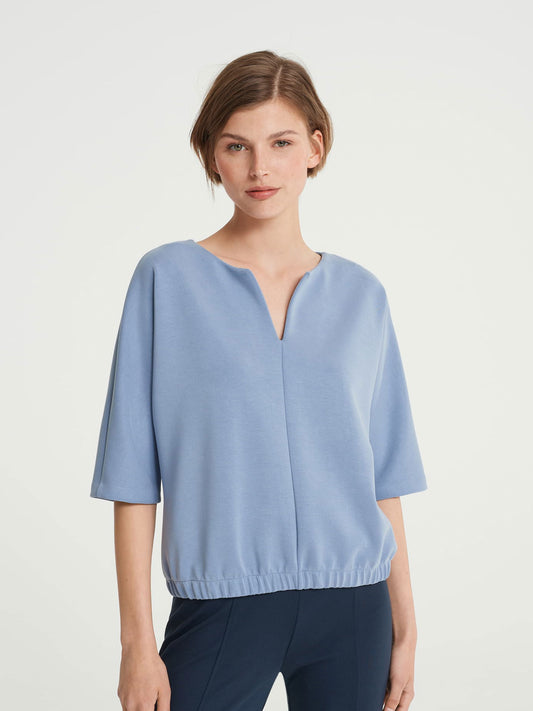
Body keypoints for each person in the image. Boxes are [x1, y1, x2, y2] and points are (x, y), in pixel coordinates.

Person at [90, 50, 428, 711]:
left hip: (354, 607)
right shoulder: (166, 281)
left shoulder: (361, 296)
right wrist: (136, 642)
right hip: (220, 603)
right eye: (236, 146)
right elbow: (131, 478)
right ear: (211, 155)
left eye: (281, 142)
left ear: (315, 147)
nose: (259, 168)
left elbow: (383, 477)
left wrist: (406, 626)